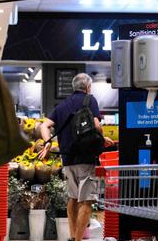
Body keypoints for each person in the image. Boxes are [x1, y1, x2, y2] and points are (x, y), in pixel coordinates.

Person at [39, 73, 113, 241]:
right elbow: (96, 125)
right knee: (86, 201)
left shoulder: (62, 105)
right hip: (86, 157)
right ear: (88, 87)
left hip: (67, 159)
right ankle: (77, 240)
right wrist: (102, 139)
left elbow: (44, 125)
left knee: (72, 198)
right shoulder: (89, 99)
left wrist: (47, 142)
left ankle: (73, 237)